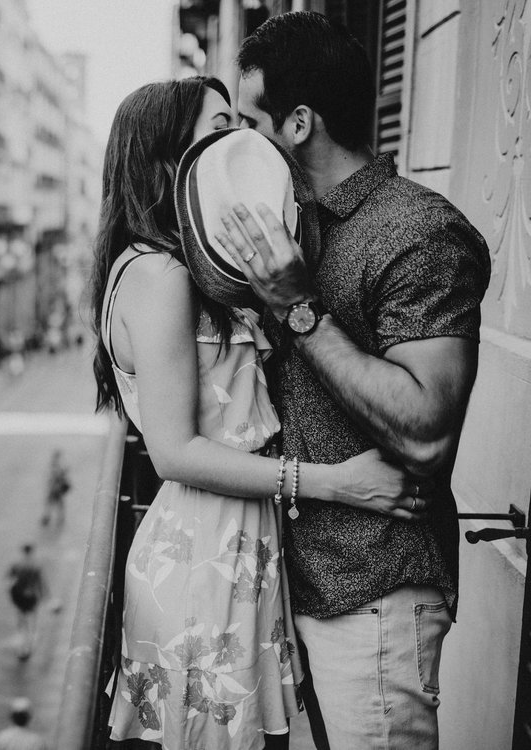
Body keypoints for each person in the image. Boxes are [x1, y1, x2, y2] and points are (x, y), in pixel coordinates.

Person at [89, 77, 417, 749]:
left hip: (232, 547)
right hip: (203, 556)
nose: (242, 147)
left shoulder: (177, 269)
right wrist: (333, 482)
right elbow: (175, 451)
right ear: (165, 163)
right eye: (217, 132)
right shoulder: (158, 278)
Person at [204, 13, 492, 749]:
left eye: (248, 122)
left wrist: (300, 310)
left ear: (299, 123)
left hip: (377, 594)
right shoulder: (289, 227)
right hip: (301, 587)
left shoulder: (419, 232)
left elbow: (426, 431)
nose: (235, 144)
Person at [7, 543, 45, 661]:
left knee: (21, 620)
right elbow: (40, 583)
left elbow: (10, 578)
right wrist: (44, 596)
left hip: (18, 595)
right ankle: (28, 646)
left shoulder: (17, 565)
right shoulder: (35, 566)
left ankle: (21, 646)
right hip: (31, 596)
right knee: (32, 620)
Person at [40, 449, 71, 528]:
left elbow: (55, 477)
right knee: (55, 504)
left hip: (55, 489)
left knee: (52, 503)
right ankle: (53, 518)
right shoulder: (57, 467)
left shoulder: (56, 467)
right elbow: (59, 476)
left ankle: (49, 518)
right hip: (55, 489)